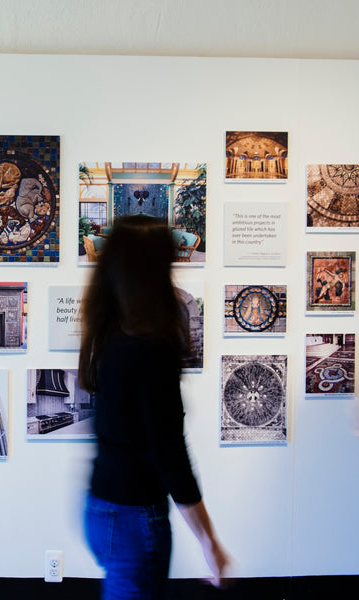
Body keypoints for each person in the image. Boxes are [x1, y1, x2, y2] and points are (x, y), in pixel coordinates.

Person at [78, 215, 230, 598]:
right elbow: (169, 454)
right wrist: (209, 541)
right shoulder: (149, 347)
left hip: (99, 507)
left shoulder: (110, 335)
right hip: (133, 515)